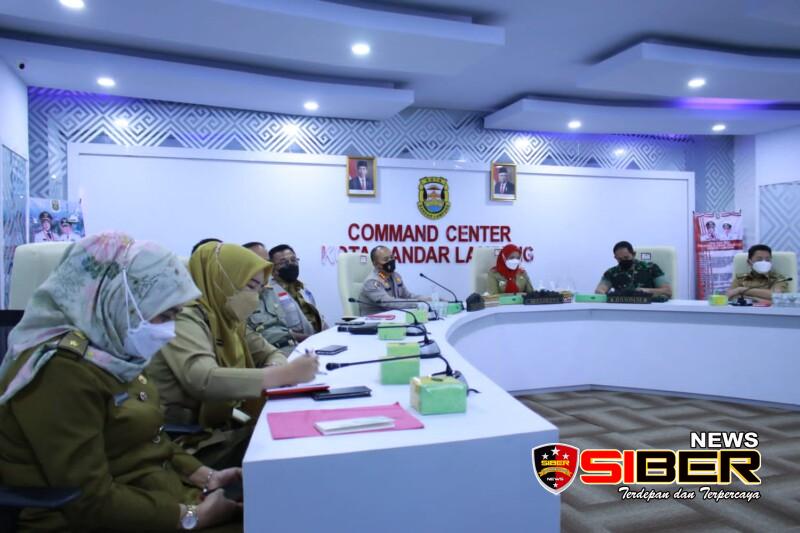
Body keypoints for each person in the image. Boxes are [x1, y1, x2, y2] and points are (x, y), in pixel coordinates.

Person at [0, 232, 242, 532]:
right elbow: (89, 500)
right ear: (117, 300)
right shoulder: (61, 371)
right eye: (164, 315)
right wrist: (193, 517)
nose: (169, 330)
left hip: (158, 497)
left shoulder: (114, 356)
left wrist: (204, 475)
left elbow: (147, 437)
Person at [148, 242, 318, 468]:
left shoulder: (227, 318)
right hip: (187, 441)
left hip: (221, 427)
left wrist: (276, 368)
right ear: (224, 280)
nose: (255, 297)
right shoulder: (184, 316)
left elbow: (270, 352)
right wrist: (281, 375)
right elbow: (203, 379)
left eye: (259, 288)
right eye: (251, 286)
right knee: (292, 452)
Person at [245, 243, 328, 355]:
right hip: (294, 349)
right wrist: (314, 339)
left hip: (316, 345)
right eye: (283, 262)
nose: (291, 264)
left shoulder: (303, 288)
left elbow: (319, 319)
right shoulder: (268, 292)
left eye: (293, 260)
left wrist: (329, 336)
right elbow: (278, 332)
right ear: (273, 268)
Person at [358, 245, 429, 315]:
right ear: (376, 264)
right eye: (386, 259)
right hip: (375, 320)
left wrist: (426, 299)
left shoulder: (396, 276)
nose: (390, 261)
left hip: (394, 317)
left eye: (392, 257)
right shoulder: (372, 282)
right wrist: (418, 303)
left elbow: (407, 296)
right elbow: (389, 303)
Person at [595, 241, 672, 298]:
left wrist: (644, 291)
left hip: (648, 308)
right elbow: (600, 291)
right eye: (620, 259)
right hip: (622, 309)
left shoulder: (650, 268)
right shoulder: (612, 272)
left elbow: (667, 291)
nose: (624, 261)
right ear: (615, 258)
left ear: (633, 254)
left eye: (626, 257)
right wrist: (602, 293)